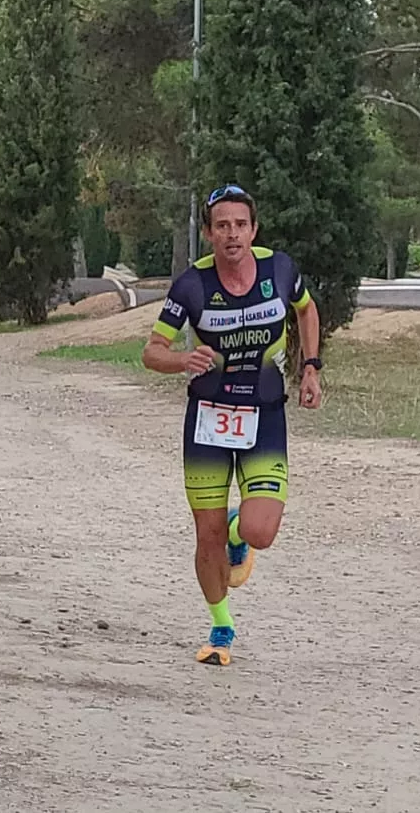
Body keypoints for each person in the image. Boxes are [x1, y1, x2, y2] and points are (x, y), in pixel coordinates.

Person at [141, 184, 323, 666]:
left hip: (265, 414)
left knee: (260, 531)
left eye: (240, 225)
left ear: (254, 230)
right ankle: (221, 628)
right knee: (207, 537)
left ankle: (239, 535)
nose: (232, 234)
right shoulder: (192, 286)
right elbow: (151, 352)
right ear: (208, 234)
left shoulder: (280, 270)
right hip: (208, 421)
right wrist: (182, 360)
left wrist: (310, 367)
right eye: (222, 226)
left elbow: (306, 309)